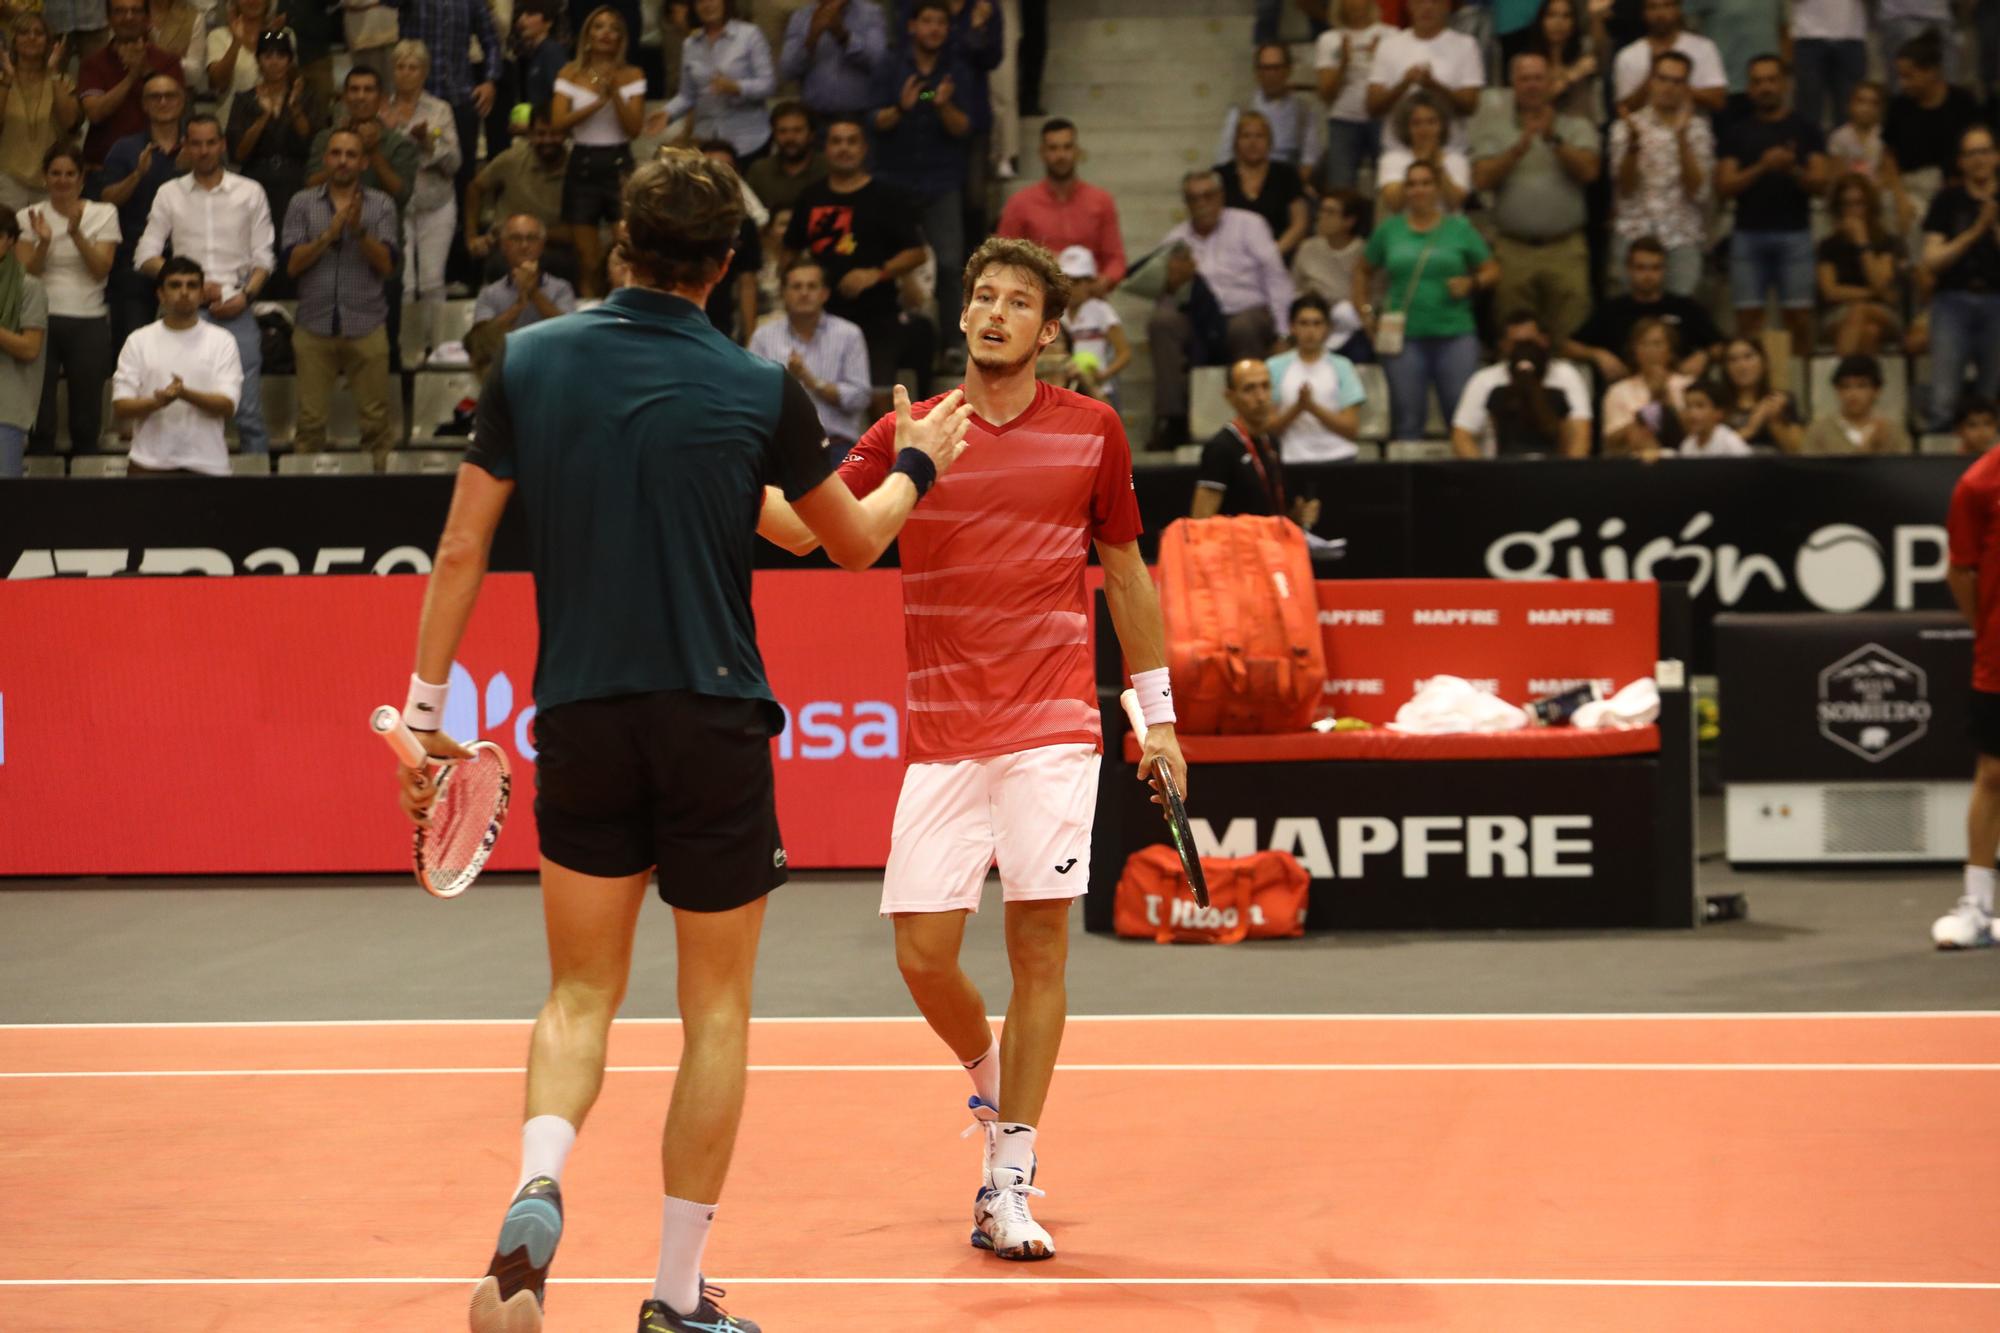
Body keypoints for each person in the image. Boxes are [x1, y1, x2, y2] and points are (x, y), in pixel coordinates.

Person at [398, 147, 975, 1333]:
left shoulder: (532, 362)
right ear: (726, 266)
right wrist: (919, 458)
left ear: (617, 248)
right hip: (713, 721)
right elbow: (850, 542)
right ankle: (671, 1294)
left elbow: (459, 552)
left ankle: (534, 1187)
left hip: (582, 717)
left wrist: (422, 721)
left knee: (576, 995)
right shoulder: (757, 389)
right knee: (714, 1014)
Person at [755, 232, 1184, 1269]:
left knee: (1038, 949)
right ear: (962, 317)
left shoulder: (1091, 432)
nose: (993, 312)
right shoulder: (911, 429)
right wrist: (701, 470)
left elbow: (1125, 575)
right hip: (943, 736)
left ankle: (1009, 1178)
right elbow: (810, 530)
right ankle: (994, 1078)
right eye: (980, 296)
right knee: (921, 951)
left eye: (1015, 301)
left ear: (1047, 328)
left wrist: (1156, 715)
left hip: (1050, 729)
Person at [134, 111, 272, 455]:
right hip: (181, 310)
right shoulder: (169, 193)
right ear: (186, 147)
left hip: (236, 307)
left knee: (248, 410)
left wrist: (246, 296)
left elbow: (264, 258)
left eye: (211, 143)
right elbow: (145, 255)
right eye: (196, 143)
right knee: (173, 406)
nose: (204, 150)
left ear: (222, 145)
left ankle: (260, 496)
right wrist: (190, 284)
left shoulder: (250, 192)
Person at [1145, 168, 1295, 450]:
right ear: (1185, 203)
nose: (1201, 203)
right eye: (1193, 198)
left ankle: (1254, 419)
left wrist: (1283, 333)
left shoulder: (1250, 225)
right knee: (1162, 322)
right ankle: (1173, 419)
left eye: (1208, 195)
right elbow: (1162, 298)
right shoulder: (1174, 241)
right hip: (1197, 319)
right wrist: (1171, 285)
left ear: (1221, 196)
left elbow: (1275, 277)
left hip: (1246, 312)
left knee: (1243, 327)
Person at [1354, 159, 1496, 442]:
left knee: (1461, 417)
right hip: (1404, 338)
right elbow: (1362, 270)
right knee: (1407, 419)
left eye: (1426, 183)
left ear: (1438, 188)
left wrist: (1472, 282)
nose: (1418, 190)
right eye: (1412, 184)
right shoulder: (1389, 230)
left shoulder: (1459, 228)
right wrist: (1366, 313)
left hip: (1454, 333)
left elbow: (1492, 269)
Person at [782, 112, 927, 388]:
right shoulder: (810, 197)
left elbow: (917, 253)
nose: (844, 148)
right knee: (813, 395)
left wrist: (876, 274)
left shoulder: (887, 197)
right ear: (826, 149)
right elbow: (789, 251)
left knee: (878, 400)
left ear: (864, 149)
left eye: (851, 141)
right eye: (836, 142)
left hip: (877, 316)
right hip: (820, 318)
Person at [282, 127, 398, 465]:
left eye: (351, 155)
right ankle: (305, 501)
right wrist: (328, 235)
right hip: (314, 326)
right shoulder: (302, 203)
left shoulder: (382, 205)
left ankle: (378, 499)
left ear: (363, 162)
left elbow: (387, 265)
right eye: (336, 153)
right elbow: (291, 265)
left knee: (376, 425)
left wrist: (359, 231)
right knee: (309, 424)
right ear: (325, 159)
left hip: (367, 324)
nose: (343, 161)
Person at [1469, 51, 1599, 349]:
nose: (1532, 85)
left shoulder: (1575, 126)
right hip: (1514, 250)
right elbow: (1481, 180)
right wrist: (1518, 149)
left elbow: (1590, 172)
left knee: (1572, 336)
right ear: (1513, 84)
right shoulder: (1494, 129)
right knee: (1515, 337)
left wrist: (1553, 139)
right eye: (1525, 79)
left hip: (1565, 249)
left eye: (1538, 78)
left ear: (1551, 82)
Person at [1938, 400, 2000, 948]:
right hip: (1999, 656)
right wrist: (1987, 626)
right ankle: (1978, 908)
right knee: (1994, 773)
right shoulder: (1978, 484)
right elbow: (1960, 569)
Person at [1716, 55, 1827, 353]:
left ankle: (1802, 390)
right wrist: (1763, 167)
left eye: (1771, 80)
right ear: (1749, 89)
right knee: (1748, 321)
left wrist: (1792, 169)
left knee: (1801, 320)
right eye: (1758, 81)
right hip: (1748, 235)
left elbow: (1821, 184)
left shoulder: (1807, 129)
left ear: (1785, 84)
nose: (1765, 87)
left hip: (1795, 234)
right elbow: (1724, 186)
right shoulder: (1736, 133)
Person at [869, 1, 971, 316]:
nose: (935, 29)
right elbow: (874, 121)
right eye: (928, 21)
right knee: (885, 257)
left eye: (941, 23)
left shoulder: (958, 69)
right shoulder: (889, 65)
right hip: (893, 179)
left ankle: (954, 343)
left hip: (941, 181)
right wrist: (901, 107)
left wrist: (941, 105)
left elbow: (965, 127)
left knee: (951, 262)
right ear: (912, 26)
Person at [20, 144, 116, 466]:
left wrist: (76, 234)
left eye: (70, 173)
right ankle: (39, 496)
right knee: (41, 422)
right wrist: (44, 242)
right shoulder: (28, 216)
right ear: (45, 177)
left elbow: (101, 269)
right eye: (55, 173)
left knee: (86, 422)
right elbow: (25, 276)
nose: (62, 180)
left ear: (81, 177)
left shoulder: (104, 213)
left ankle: (90, 499)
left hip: (87, 318)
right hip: (38, 321)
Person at [110, 255, 241, 476]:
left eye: (192, 285)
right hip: (148, 465)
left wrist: (185, 394)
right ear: (160, 294)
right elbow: (121, 406)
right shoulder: (139, 340)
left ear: (201, 295)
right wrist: (157, 402)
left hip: (208, 465)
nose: (184, 292)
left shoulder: (222, 340)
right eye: (175, 285)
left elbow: (228, 406)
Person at [552, 6, 646, 298]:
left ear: (621, 38)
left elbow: (634, 128)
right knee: (588, 260)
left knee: (626, 252)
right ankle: (591, 315)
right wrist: (596, 101)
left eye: (613, 28)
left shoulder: (632, 74)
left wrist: (615, 92)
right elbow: (558, 124)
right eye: (599, 27)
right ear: (588, 35)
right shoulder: (569, 72)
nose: (606, 33)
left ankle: (627, 312)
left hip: (619, 164)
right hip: (583, 163)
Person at [380, 38, 460, 368]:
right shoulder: (382, 110)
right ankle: (407, 352)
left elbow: (454, 163)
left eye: (413, 67)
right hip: (397, 206)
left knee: (431, 280)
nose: (407, 73)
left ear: (424, 72)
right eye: (400, 66)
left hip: (436, 202)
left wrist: (429, 142)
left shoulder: (440, 110)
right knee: (405, 284)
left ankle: (437, 351)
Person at [1607, 50, 1712, 295]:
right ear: (1651, 81)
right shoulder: (1625, 127)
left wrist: (1682, 139)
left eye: (1677, 81)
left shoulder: (1699, 129)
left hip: (1681, 236)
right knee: (1631, 320)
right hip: (1634, 234)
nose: (1669, 87)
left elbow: (1699, 190)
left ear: (1686, 86)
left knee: (1679, 317)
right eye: (1663, 79)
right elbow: (1624, 188)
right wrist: (1633, 145)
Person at [97, 72, 186, 350]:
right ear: (144, 105)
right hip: (134, 261)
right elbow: (107, 200)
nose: (162, 101)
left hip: (188, 259)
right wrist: (137, 174)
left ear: (182, 101)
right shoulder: (126, 148)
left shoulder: (198, 146)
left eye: (169, 95)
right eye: (154, 97)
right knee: (133, 347)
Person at [1921, 125, 2000, 433]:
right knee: (1944, 397)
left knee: (1990, 396)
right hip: (1951, 303)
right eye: (1971, 153)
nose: (1978, 159)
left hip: (1997, 301)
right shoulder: (1947, 200)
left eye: (1984, 151)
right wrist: (1974, 233)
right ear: (1960, 162)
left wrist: (1993, 229)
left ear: (1996, 156)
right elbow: (1932, 260)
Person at [227, 33, 319, 291]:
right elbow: (238, 153)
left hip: (296, 182)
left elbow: (313, 143)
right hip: (256, 183)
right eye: (268, 55)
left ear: (290, 61)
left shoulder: (305, 96)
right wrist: (264, 116)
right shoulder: (245, 99)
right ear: (258, 61)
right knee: (258, 248)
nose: (275, 62)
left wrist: (294, 108)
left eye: (281, 56)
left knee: (294, 246)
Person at [748, 254, 869, 449]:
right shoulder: (763, 338)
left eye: (812, 286)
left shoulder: (849, 334)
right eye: (796, 287)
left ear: (825, 294)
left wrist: (813, 382)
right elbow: (752, 397)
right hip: (782, 449)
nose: (804, 293)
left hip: (836, 445)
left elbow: (860, 397)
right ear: (783, 293)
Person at [995, 118, 1125, 297]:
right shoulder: (1020, 203)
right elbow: (1003, 256)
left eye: (1067, 147)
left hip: (1088, 300)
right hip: (1037, 298)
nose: (1061, 155)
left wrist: (1103, 282)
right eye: (1053, 148)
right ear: (1042, 153)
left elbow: (1116, 258)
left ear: (1077, 151)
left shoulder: (1101, 201)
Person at [1564, 235, 1722, 380]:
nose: (1648, 275)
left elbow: (1721, 346)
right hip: (1623, 391)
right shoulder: (1612, 310)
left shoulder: (1684, 307)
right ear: (1629, 269)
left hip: (1679, 391)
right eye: (1641, 268)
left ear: (1664, 270)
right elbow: (1569, 346)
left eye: (1655, 268)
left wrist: (1704, 355)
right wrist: (1597, 354)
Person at [1190, 357, 1320, 526]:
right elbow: (1200, 522)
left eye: (1265, 386)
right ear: (1230, 396)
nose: (1260, 397)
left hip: (1271, 547)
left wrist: (1298, 516)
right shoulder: (1221, 448)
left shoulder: (1271, 442)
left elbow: (1271, 514)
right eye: (1249, 389)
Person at [1450, 310, 1591, 457]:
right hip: (1499, 471)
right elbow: (1462, 437)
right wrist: (1485, 475)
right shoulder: (1485, 380)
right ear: (1503, 345)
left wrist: (1568, 475)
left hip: (1553, 471)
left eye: (1530, 342)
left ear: (1544, 340)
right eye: (1517, 344)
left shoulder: (1566, 375)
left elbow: (1580, 435)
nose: (1524, 349)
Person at [466, 101, 574, 284]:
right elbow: (475, 188)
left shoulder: (577, 169)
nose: (547, 140)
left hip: (555, 248)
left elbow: (576, 233)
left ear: (566, 134)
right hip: (508, 248)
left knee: (564, 267)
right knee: (500, 265)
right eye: (541, 134)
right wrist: (471, 236)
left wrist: (535, 234)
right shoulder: (512, 159)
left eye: (554, 133)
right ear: (530, 135)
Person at [1366, 0, 1483, 157]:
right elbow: (1373, 108)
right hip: (1397, 151)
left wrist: (1433, 85)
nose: (1427, 7)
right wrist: (1404, 83)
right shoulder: (1388, 46)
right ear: (1409, 5)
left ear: (1447, 5)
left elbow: (1470, 106)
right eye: (1420, 1)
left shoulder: (1466, 45)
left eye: (1435, 2)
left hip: (1450, 152)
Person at [662, 0, 774, 163]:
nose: (707, 5)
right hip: (707, 143)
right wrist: (667, 113)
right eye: (700, 1)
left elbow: (768, 84)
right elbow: (687, 95)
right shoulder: (690, 44)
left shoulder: (749, 34)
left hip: (748, 140)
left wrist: (737, 87)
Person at [468, 211, 577, 377]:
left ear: (542, 245)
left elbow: (571, 331)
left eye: (532, 238)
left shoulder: (562, 288)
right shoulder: (489, 293)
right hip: (503, 370)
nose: (524, 245)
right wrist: (519, 305)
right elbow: (480, 339)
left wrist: (534, 293)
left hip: (551, 369)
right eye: (516, 238)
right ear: (503, 246)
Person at [78, 0, 184, 167]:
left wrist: (145, 70)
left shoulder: (168, 62)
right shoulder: (93, 64)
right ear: (109, 18)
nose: (128, 17)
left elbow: (173, 108)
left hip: (158, 164)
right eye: (120, 11)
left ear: (147, 17)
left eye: (136, 11)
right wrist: (132, 76)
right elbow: (95, 113)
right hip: (104, 166)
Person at [1265, 292, 1364, 462]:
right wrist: (1298, 407)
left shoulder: (1343, 366)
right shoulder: (1273, 367)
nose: (1310, 331)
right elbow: (1268, 429)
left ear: (1327, 328)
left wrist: (1311, 406)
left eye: (1317, 323)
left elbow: (1351, 428)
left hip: (1340, 456)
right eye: (1303, 323)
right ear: (1292, 327)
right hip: (1289, 458)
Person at [0, 15, 84, 215]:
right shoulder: (3, 81)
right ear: (13, 41)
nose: (31, 38)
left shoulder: (62, 81)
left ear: (49, 42)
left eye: (38, 33)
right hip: (8, 176)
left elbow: (70, 123)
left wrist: (53, 73)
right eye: (24, 33)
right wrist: (8, 79)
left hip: (52, 179)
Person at [1817, 175, 1905, 358]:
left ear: (1869, 206)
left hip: (1883, 312)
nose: (1853, 211)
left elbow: (1880, 282)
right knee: (1869, 331)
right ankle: (1860, 383)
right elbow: (1831, 291)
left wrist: (1862, 242)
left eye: (1859, 203)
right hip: (1838, 312)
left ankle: (1842, 380)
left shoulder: (1886, 242)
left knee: (1859, 311)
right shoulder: (1828, 246)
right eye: (1846, 204)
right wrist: (1872, 294)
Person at [1314, 0, 1389, 190]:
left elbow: (1399, 86)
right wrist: (1343, 64)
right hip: (1343, 120)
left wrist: (1379, 59)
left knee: (1388, 183)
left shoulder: (1391, 35)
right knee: (1340, 186)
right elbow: (1326, 94)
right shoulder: (1328, 39)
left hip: (1383, 118)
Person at [1219, 109, 1310, 260]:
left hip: (1278, 255)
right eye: (1246, 136)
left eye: (1259, 136)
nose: (1252, 142)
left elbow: (1299, 223)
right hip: (1230, 257)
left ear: (1270, 141)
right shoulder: (1220, 175)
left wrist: (1272, 253)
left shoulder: (1286, 174)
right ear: (1236, 141)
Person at [1827, 81, 1916, 234]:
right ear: (1850, 104)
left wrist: (1900, 200)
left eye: (1873, 103)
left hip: (1878, 195)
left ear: (1881, 109)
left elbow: (1889, 173)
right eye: (1861, 101)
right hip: (1850, 195)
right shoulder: (1839, 137)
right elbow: (1837, 176)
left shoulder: (1885, 137)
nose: (1866, 108)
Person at [1218, 41, 1322, 173]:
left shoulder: (1303, 110)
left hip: (1290, 177)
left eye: (1276, 68)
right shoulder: (1242, 108)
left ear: (1288, 70)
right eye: (1265, 68)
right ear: (1257, 72)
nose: (1271, 74)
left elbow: (1310, 158)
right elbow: (1224, 155)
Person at [695, 137, 760, 343]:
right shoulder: (673, 219)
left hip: (721, 325)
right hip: (677, 318)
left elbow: (747, 283)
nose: (716, 176)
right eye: (708, 168)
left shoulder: (744, 225)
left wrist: (750, 340)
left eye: (725, 168)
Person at [779, 0, 886, 123]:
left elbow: (878, 63)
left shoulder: (871, 14)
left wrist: (843, 36)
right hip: (815, 118)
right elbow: (787, 71)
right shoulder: (800, 17)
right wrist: (811, 39)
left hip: (860, 116)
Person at [1611, 0, 1726, 115]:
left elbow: (1718, 101)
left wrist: (1676, 85)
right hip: (1643, 130)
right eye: (1653, 7)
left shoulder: (1704, 47)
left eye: (1667, 5)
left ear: (1678, 9)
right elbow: (1624, 109)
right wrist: (1652, 77)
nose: (1660, 14)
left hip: (1694, 129)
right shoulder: (1627, 56)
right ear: (1644, 13)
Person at [0, 210, 47, 479]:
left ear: (10, 241)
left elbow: (30, 348)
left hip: (6, 409)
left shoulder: (29, 287)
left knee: (4, 503)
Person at [1600, 317, 1688, 456]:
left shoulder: (1688, 385)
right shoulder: (1618, 391)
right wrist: (1644, 417)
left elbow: (1697, 431)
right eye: (1643, 344)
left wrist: (1666, 401)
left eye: (1657, 344)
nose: (1650, 351)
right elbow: (1610, 441)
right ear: (1634, 351)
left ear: (1670, 350)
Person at [1055, 244, 1128, 406]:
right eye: (1066, 279)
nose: (1071, 286)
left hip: (1100, 392)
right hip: (1066, 393)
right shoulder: (1055, 313)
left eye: (1077, 281)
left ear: (1090, 282)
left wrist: (1103, 374)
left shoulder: (1101, 310)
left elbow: (1124, 353)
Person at [493, 0, 568, 156]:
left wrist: (532, 127)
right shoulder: (535, 54)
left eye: (530, 15)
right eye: (521, 15)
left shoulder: (552, 53)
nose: (522, 20)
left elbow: (560, 99)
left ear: (548, 23)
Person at [1376, 90, 1468, 214]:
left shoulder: (1457, 160)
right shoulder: (1392, 159)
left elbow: (1454, 203)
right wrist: (1421, 162)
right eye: (1416, 123)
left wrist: (1437, 166)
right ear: (1407, 127)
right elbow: (1394, 204)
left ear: (1441, 125)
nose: (1424, 129)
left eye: (1431, 122)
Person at [1801, 353, 1912, 454]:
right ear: (1837, 390)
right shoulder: (1818, 432)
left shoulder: (1892, 431)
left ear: (1877, 391)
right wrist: (1867, 447)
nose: (1853, 394)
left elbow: (1904, 471)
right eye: (1846, 386)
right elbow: (1810, 473)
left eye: (1862, 386)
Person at [1525, 0, 1608, 121]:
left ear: (1574, 22)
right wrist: (1569, 77)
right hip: (1543, 130)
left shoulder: (1582, 51)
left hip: (1583, 130)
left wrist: (1596, 19)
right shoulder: (1530, 61)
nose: (1559, 23)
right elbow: (1530, 103)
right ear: (1541, 20)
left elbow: (1600, 52)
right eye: (1552, 15)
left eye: (1566, 16)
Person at [1717, 334, 1803, 451]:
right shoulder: (1718, 402)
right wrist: (1751, 428)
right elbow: (1713, 449)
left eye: (1748, 357)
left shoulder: (1780, 399)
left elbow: (1798, 450)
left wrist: (1775, 420)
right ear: (1725, 368)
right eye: (1733, 360)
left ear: (1763, 361)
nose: (1742, 366)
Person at [1791, 0, 1866, 131]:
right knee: (1808, 109)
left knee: (1850, 109)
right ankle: (1810, 149)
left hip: (1850, 34)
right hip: (1809, 35)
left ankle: (1846, 150)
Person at [743, 100, 825, 216]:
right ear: (774, 134)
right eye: (782, 131)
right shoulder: (759, 171)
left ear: (811, 134)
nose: (790, 138)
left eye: (797, 130)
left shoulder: (829, 168)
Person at [1291, 188, 1366, 307]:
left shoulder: (1363, 252)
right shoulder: (1308, 247)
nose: (1322, 216)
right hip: (1313, 313)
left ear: (1349, 221)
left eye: (1330, 212)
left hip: (1349, 316)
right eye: (1322, 210)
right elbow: (1295, 288)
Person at [1669, 376, 1753, 456]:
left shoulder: (1730, 443)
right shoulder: (1687, 445)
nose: (1692, 413)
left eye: (1700, 406)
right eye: (1688, 406)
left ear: (1718, 412)